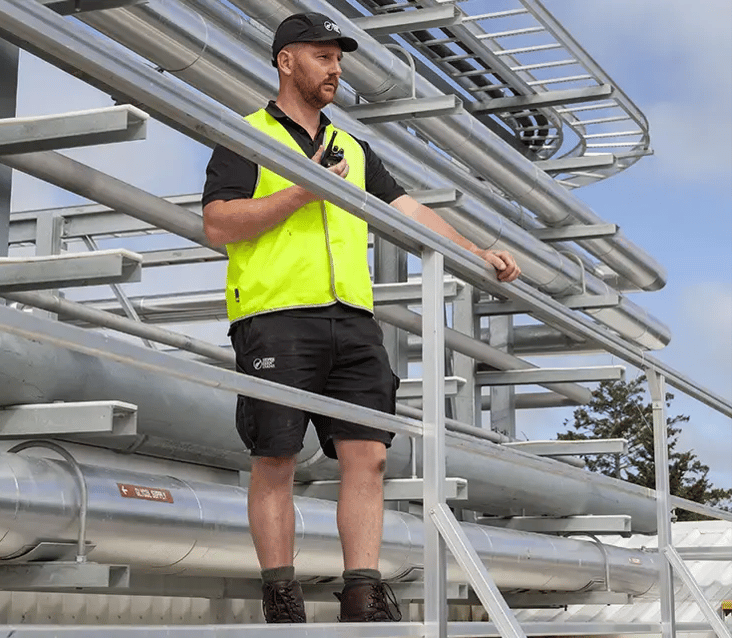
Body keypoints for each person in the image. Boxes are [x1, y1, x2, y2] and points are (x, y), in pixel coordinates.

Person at [202, 12, 521, 624]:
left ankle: (361, 590)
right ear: (286, 61)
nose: (336, 68)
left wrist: (475, 252)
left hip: (352, 319)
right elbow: (218, 224)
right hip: (276, 315)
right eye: (323, 56)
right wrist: (303, 190)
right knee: (276, 455)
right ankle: (281, 593)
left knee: (369, 454)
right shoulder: (246, 136)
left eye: (339, 58)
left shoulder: (352, 147)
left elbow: (407, 209)